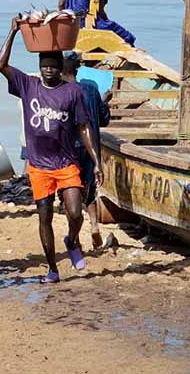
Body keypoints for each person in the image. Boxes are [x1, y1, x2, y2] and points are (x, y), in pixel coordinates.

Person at [0, 19, 103, 283]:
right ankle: (53, 269)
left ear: (60, 69)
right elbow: (1, 65)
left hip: (66, 163)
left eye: (53, 68)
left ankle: (72, 239)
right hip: (39, 166)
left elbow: (84, 127)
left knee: (75, 212)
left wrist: (97, 161)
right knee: (43, 216)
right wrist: (12, 31)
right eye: (44, 67)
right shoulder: (28, 86)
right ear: (39, 68)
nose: (48, 72)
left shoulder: (72, 92)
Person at [62, 52, 110, 249]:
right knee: (89, 191)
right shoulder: (91, 87)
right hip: (91, 150)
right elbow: (104, 119)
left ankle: (76, 239)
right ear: (77, 67)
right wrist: (105, 101)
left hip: (68, 150)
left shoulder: (59, 90)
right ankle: (94, 225)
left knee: (69, 194)